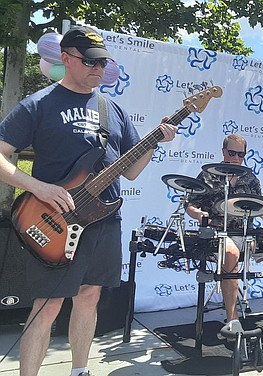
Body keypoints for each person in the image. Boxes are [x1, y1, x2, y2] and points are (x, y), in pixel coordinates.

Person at [0, 26, 177, 376]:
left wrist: (157, 140)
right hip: (54, 219)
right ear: (65, 59)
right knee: (47, 306)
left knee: (89, 297)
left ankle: (80, 370)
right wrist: (38, 187)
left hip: (103, 220)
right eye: (89, 62)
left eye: (102, 63)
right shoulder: (38, 104)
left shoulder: (112, 109)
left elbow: (131, 172)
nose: (98, 69)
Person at [185, 133, 263, 334]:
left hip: (247, 234)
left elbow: (259, 207)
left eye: (241, 154)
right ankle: (232, 319)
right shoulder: (208, 175)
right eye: (232, 153)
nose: (236, 158)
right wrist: (199, 215)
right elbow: (190, 205)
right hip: (218, 234)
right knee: (231, 254)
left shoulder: (250, 178)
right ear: (223, 152)